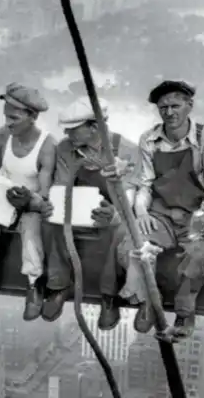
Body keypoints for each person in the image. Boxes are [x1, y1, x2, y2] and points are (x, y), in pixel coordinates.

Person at [114, 79, 204, 338]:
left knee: (198, 255)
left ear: (189, 106)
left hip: (199, 215)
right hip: (162, 213)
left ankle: (184, 313)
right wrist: (142, 212)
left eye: (175, 105)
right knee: (134, 243)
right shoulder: (150, 139)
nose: (169, 113)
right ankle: (146, 303)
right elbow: (145, 183)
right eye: (163, 107)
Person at [37, 97, 140, 327]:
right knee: (49, 222)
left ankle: (108, 296)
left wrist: (113, 213)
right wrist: (53, 204)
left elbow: (130, 199)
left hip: (113, 210)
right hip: (77, 207)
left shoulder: (127, 151)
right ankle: (58, 285)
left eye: (74, 130)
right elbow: (62, 184)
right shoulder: (66, 148)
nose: (68, 134)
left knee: (119, 231)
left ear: (95, 127)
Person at [0, 83, 56, 320]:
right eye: (6, 117)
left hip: (30, 203)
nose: (8, 123)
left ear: (32, 117)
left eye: (14, 118)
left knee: (31, 228)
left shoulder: (47, 145)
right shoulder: (2, 135)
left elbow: (46, 190)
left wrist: (30, 200)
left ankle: (33, 282)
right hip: (4, 196)